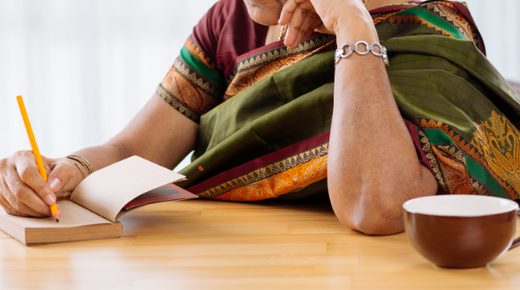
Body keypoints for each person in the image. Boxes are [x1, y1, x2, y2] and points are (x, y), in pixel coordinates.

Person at [1, 0, 519, 235]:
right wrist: (66, 168)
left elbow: (376, 207)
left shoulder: (428, 29)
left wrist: (352, 25)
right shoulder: (232, 21)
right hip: (228, 262)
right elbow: (128, 151)